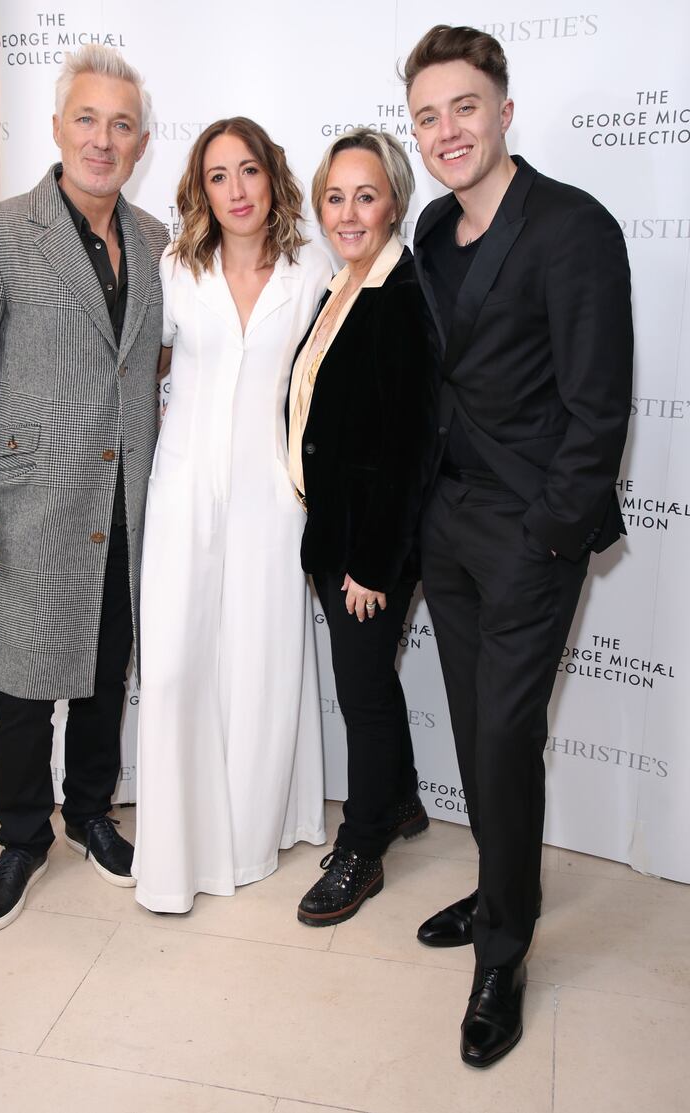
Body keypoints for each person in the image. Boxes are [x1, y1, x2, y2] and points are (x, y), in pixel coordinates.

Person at [403, 25, 633, 1066]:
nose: (444, 131)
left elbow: (597, 410)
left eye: (461, 107)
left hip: (528, 536)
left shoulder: (571, 227)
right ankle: (502, 886)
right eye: (424, 117)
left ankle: (502, 948)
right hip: (446, 529)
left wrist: (549, 538)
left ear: (503, 110)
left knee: (501, 738)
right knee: (472, 728)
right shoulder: (424, 232)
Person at [0, 45, 169, 932]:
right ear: (59, 127)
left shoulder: (152, 238)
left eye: (122, 125)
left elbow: (140, 364)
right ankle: (22, 836)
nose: (103, 140)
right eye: (88, 120)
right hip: (27, 501)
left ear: (141, 142)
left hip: (124, 504)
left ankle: (92, 811)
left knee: (105, 670)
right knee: (25, 687)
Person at [132, 118, 331, 913]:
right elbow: (142, 370)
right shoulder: (175, 267)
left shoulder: (313, 267)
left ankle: (251, 837)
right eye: (218, 176)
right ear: (201, 190)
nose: (236, 190)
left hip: (273, 494)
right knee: (176, 665)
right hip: (180, 489)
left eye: (248, 171)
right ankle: (177, 841)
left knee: (260, 660)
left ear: (270, 177)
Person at [292, 129, 437, 927]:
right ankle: (406, 800)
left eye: (366, 195)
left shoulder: (399, 295)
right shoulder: (343, 285)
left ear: (394, 203)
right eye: (335, 196)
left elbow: (407, 444)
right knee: (372, 683)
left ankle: (364, 843)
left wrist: (374, 565)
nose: (349, 212)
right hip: (336, 535)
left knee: (363, 696)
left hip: (367, 549)